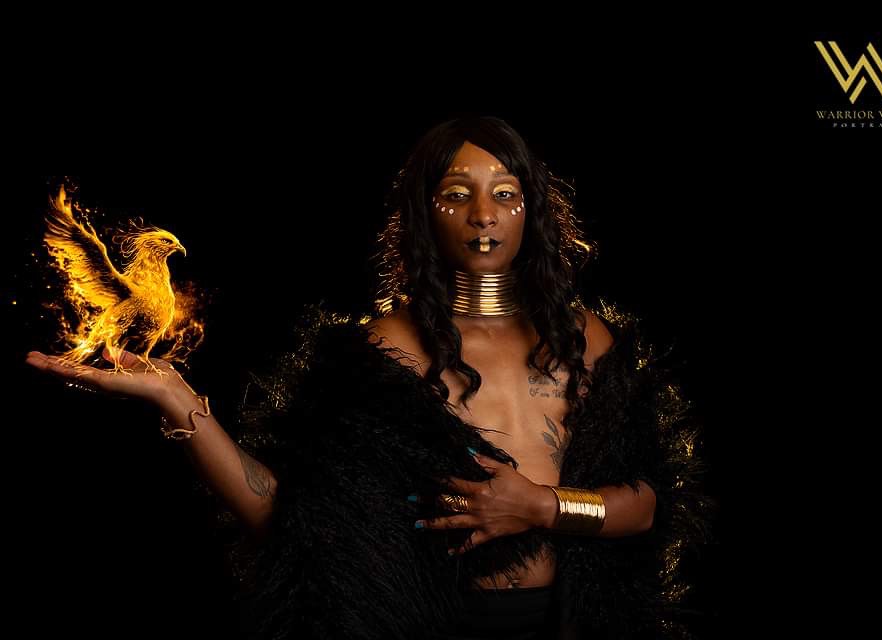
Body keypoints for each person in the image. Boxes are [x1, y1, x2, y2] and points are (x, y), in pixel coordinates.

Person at [25, 116, 714, 639]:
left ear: (530, 210)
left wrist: (541, 507)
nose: (483, 214)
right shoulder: (381, 352)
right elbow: (295, 523)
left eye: (505, 193)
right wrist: (175, 398)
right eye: (457, 194)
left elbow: (648, 504)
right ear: (425, 212)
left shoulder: (585, 338)